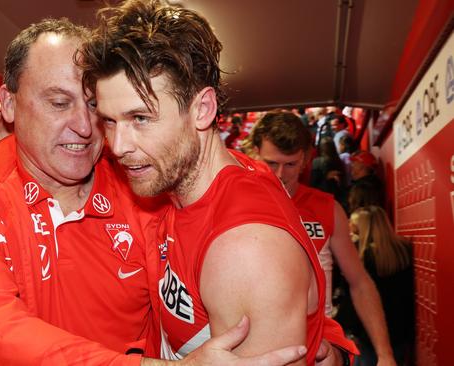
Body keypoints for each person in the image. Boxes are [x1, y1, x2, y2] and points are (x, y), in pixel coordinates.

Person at [0, 17, 308, 366]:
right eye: (58, 103)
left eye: (93, 106)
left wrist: (322, 338)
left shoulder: (142, 177)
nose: (86, 127)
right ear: (9, 103)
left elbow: (237, 221)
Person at [79, 1, 357, 363]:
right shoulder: (196, 177)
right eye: (110, 121)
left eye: (141, 118)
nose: (118, 146)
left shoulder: (243, 250)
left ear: (203, 110)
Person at [242, 111, 395, 365]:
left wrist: (385, 354)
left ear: (305, 160)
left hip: (318, 346)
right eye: (271, 163)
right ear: (256, 153)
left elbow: (359, 282)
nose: (280, 174)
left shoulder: (327, 208)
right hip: (256, 346)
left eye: (290, 164)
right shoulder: (238, 205)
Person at [348, 206, 414, 365]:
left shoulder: (362, 257)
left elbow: (356, 301)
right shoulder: (403, 250)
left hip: (369, 335)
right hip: (400, 331)